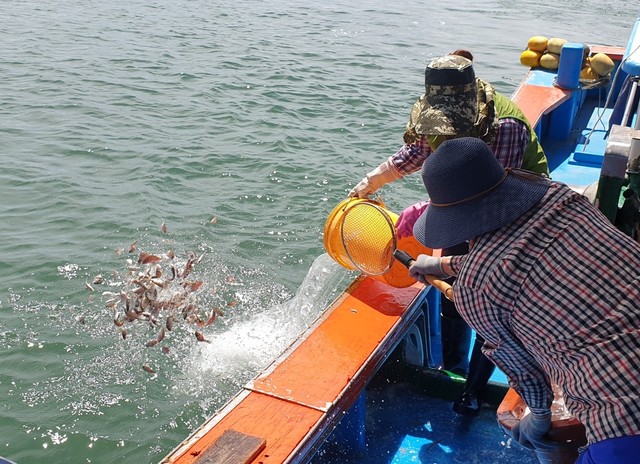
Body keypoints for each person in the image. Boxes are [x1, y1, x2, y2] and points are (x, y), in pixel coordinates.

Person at [408, 136, 640, 463]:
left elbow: (529, 376)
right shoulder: (563, 199)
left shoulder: (477, 288)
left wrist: (538, 419)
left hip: (625, 418)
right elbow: (524, 255)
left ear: (452, 220)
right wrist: (443, 265)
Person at [350, 52, 549, 416]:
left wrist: (426, 213)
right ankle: (454, 364)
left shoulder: (504, 126)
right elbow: (417, 152)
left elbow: (492, 197)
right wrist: (372, 181)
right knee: (454, 288)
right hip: (467, 198)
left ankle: (472, 390)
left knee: (492, 296)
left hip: (516, 201)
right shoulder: (435, 118)